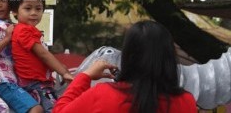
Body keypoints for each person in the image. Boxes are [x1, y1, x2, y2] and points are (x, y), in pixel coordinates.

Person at [53, 20, 197, 113]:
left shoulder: (103, 95)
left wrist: (85, 76)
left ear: (128, 56)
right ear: (169, 58)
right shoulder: (186, 102)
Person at [10, 0, 73, 112]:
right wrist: (64, 72)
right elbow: (44, 55)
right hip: (36, 84)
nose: (34, 13)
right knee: (56, 109)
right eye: (28, 8)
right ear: (15, 11)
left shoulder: (29, 30)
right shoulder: (23, 31)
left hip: (38, 82)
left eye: (38, 9)